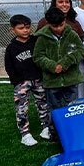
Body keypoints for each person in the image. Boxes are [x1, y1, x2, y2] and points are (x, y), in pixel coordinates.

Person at [33, 7, 84, 133]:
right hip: (52, 82)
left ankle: (72, 130)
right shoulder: (42, 37)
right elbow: (37, 57)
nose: (58, 28)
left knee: (72, 106)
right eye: (54, 26)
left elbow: (81, 51)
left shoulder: (72, 34)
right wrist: (52, 66)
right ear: (48, 23)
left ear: (65, 21)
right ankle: (55, 132)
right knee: (54, 108)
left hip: (71, 79)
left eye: (61, 25)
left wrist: (65, 63)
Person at [4, 14, 51, 146]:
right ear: (12, 30)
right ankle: (25, 134)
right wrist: (16, 80)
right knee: (21, 108)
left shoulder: (36, 41)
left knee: (43, 103)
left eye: (28, 27)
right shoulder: (11, 48)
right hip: (22, 82)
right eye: (21, 28)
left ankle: (46, 128)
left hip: (38, 79)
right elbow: (9, 66)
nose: (25, 30)